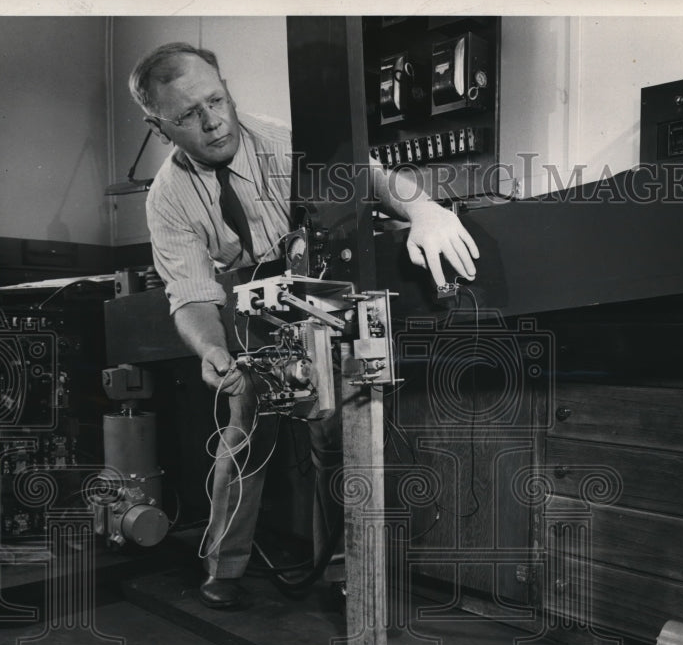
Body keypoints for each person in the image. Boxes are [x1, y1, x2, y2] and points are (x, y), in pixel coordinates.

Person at [129, 42, 479, 609]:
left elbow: (378, 181)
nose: (214, 121)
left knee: (334, 433)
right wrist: (212, 352)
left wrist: (427, 211)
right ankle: (224, 565)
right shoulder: (167, 197)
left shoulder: (287, 143)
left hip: (323, 296)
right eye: (189, 116)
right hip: (250, 308)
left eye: (216, 100)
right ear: (159, 127)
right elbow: (191, 294)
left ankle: (341, 567)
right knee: (245, 434)